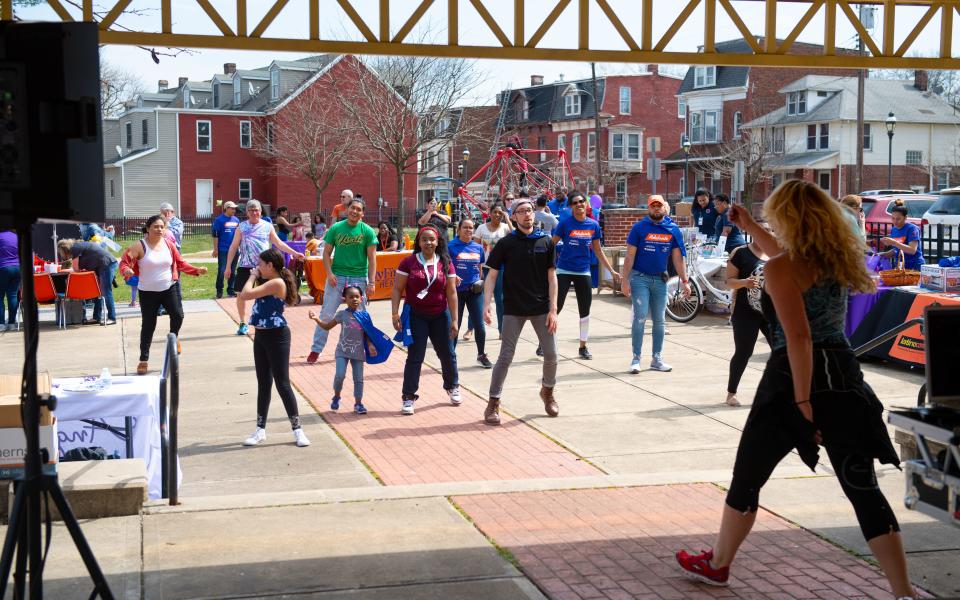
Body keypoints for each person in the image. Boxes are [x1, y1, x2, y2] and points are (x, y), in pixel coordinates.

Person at [676, 180, 915, 600]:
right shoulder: (835, 260)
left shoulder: (781, 269)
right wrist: (749, 226)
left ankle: (719, 564)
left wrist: (803, 402)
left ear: (789, 219)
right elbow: (784, 258)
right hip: (842, 372)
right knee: (862, 486)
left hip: (792, 378)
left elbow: (800, 338)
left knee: (748, 476)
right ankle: (903, 592)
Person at [482, 197, 559, 425]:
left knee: (552, 355)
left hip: (541, 307)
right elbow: (491, 276)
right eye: (522, 211)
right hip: (513, 308)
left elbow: (552, 276)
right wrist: (486, 304)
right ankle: (493, 402)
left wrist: (553, 309)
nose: (527, 214)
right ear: (513, 216)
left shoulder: (546, 241)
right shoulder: (507, 243)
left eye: (530, 211)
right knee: (506, 356)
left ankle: (547, 391)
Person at [238, 248, 310, 448]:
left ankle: (298, 431)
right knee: (264, 383)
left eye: (261, 264)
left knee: (283, 383)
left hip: (277, 337)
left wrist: (252, 275)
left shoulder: (276, 283)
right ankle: (260, 430)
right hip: (261, 336)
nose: (258, 267)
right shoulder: (268, 282)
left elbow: (245, 294)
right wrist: (255, 275)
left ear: (270, 266)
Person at [119, 216, 207, 374]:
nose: (159, 229)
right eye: (155, 227)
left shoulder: (169, 244)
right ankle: (143, 360)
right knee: (148, 325)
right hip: (147, 292)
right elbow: (124, 262)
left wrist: (196, 270)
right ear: (147, 228)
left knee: (178, 315)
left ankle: (174, 339)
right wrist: (126, 270)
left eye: (162, 227)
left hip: (168, 288)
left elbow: (180, 263)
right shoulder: (139, 246)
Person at [391, 226, 460, 415]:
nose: (428, 242)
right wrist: (395, 314)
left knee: (447, 353)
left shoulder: (446, 262)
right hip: (416, 316)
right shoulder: (408, 262)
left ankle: (452, 385)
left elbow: (452, 292)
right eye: (424, 239)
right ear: (418, 242)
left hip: (440, 314)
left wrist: (455, 319)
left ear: (438, 242)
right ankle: (408, 397)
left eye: (432, 239)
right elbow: (397, 289)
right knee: (415, 357)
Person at [620, 195, 691, 374]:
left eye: (659, 205)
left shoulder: (673, 229)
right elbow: (629, 256)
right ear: (649, 208)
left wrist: (685, 281)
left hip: (660, 280)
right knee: (641, 316)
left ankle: (656, 358)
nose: (656, 208)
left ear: (664, 208)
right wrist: (624, 280)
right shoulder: (639, 228)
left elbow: (677, 257)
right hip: (639, 278)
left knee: (660, 321)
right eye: (653, 206)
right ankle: (636, 358)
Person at [307, 197, 377, 362]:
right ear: (347, 209)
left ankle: (364, 347)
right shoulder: (336, 228)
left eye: (359, 209)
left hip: (359, 278)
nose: (355, 211)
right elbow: (325, 253)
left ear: (363, 214)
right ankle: (316, 350)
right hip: (337, 277)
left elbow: (372, 259)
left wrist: (371, 282)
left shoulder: (367, 231)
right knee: (327, 314)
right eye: (352, 208)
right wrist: (329, 273)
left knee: (360, 315)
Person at [551, 192, 619, 360]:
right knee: (555, 308)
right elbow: (551, 244)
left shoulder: (593, 225)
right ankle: (544, 343)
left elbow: (598, 250)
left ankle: (583, 346)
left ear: (586, 204)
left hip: (583, 271)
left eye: (582, 201)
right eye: (575, 203)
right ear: (570, 206)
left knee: (585, 310)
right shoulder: (565, 224)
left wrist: (611, 271)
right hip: (564, 270)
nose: (579, 204)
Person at [225, 199, 304, 336]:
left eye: (257, 210)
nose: (254, 213)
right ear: (247, 213)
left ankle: (271, 318)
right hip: (245, 265)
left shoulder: (267, 226)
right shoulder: (241, 227)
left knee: (269, 293)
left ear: (261, 212)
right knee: (241, 294)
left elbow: (278, 243)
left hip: (265, 266)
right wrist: (228, 267)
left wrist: (295, 253)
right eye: (251, 210)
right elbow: (233, 247)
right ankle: (243, 323)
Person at [309, 286, 376, 415]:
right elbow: (327, 326)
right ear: (344, 299)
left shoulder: (365, 316)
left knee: (358, 379)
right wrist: (316, 319)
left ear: (361, 298)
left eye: (357, 297)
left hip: (358, 352)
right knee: (340, 375)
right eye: (351, 297)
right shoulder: (342, 314)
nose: (354, 299)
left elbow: (369, 334)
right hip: (342, 351)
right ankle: (337, 396)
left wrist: (370, 345)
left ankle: (358, 403)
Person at [723, 240, 769, 407]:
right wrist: (745, 282)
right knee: (744, 352)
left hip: (772, 312)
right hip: (745, 312)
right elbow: (728, 281)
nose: (766, 233)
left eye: (770, 230)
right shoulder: (741, 253)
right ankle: (731, 393)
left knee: (783, 351)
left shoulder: (778, 251)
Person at [449, 219, 492, 368]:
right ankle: (450, 356)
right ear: (459, 229)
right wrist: (453, 276)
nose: (468, 230)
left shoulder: (478, 248)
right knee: (456, 324)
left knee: (480, 325)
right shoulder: (451, 247)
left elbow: (479, 269)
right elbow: (444, 267)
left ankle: (481, 355)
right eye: (465, 227)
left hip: (474, 292)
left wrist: (480, 283)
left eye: (471, 228)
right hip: (456, 293)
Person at [57, 238, 120, 325]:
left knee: (106, 291)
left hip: (106, 264)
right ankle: (96, 317)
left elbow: (76, 269)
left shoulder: (74, 249)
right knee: (98, 292)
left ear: (64, 249)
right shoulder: (78, 247)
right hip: (103, 265)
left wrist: (63, 270)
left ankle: (112, 318)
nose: (61, 255)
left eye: (61, 252)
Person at [474, 202, 512, 333]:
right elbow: (476, 249)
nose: (497, 215)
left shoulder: (506, 228)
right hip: (485, 267)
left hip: (501, 268)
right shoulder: (481, 228)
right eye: (495, 212)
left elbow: (516, 237)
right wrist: (477, 269)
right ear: (490, 213)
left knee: (500, 300)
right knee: (479, 299)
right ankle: (471, 328)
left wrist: (508, 218)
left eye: (500, 213)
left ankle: (502, 329)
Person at [879, 199, 925, 270]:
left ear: (905, 217)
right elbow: (896, 250)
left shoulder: (912, 229)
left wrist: (894, 242)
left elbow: (912, 250)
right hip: (900, 266)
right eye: (893, 218)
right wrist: (883, 254)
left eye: (898, 219)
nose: (895, 221)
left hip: (914, 266)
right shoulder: (894, 229)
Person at [212, 200, 240, 299]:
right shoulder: (219, 220)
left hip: (235, 250)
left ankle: (231, 291)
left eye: (235, 208)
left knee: (233, 270)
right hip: (223, 250)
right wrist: (215, 249)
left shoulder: (236, 220)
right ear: (226, 208)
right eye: (232, 208)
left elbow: (239, 235)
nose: (234, 210)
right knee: (222, 270)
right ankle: (219, 291)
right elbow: (215, 235)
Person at [0, 229, 20, 331]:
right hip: (18, 268)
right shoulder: (16, 236)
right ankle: (12, 323)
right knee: (12, 295)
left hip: (2, 267)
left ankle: (1, 324)